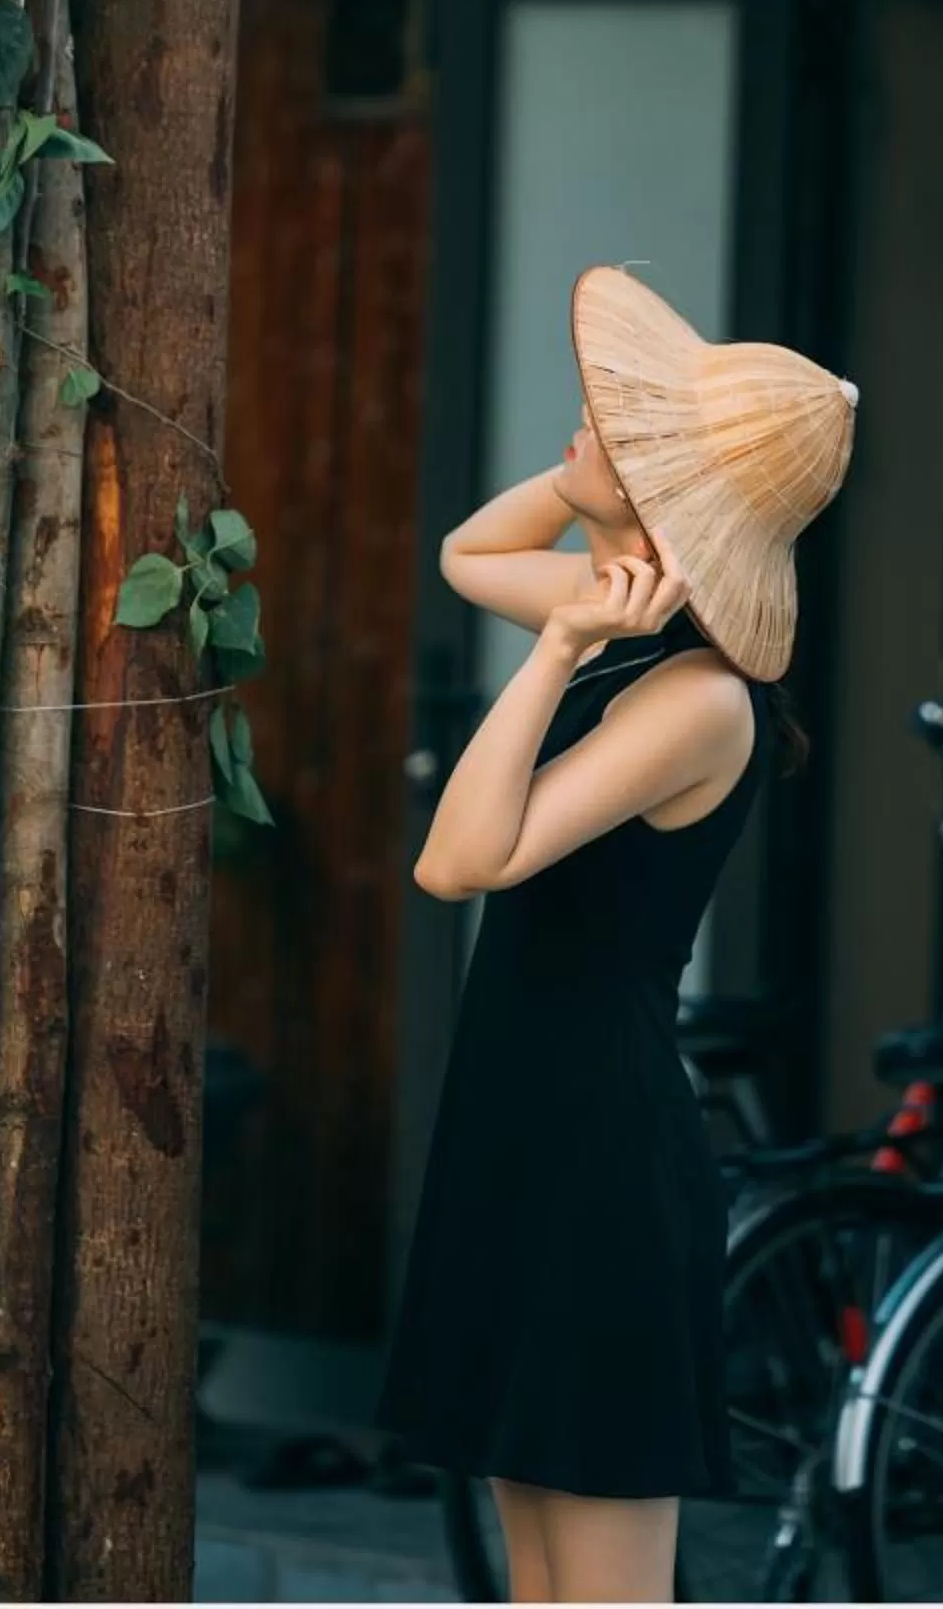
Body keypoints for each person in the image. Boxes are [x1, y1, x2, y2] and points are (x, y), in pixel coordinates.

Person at [374, 263, 858, 1604]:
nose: (588, 420)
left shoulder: (699, 700)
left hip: (601, 1166)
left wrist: (551, 654)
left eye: (627, 428)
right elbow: (468, 554)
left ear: (674, 498)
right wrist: (605, 508)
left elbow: (462, 858)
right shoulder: (633, 635)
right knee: (531, 1582)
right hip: (524, 1132)